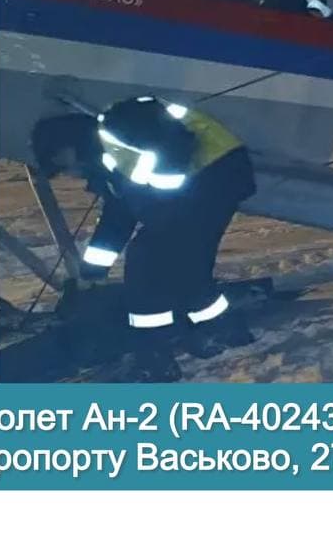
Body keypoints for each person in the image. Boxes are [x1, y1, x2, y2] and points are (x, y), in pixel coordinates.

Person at [31, 95, 258, 378]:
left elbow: (174, 148)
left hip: (214, 177)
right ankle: (224, 330)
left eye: (62, 165)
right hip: (219, 181)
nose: (70, 173)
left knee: (145, 260)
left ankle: (154, 357)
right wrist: (93, 270)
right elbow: (119, 216)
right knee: (190, 267)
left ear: (64, 145)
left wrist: (160, 202)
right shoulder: (109, 159)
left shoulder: (118, 127)